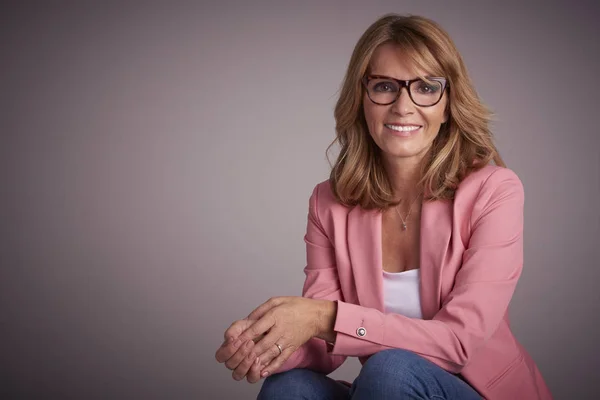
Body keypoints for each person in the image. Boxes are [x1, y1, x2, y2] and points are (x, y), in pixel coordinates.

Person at [215, 13, 553, 400]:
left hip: (472, 391)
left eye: (426, 87)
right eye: (385, 86)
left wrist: (323, 316)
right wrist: (268, 345)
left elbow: (460, 342)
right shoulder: (329, 202)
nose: (403, 106)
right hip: (383, 390)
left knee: (392, 367)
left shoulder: (495, 190)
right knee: (287, 388)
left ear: (448, 103)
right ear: (362, 99)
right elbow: (326, 347)